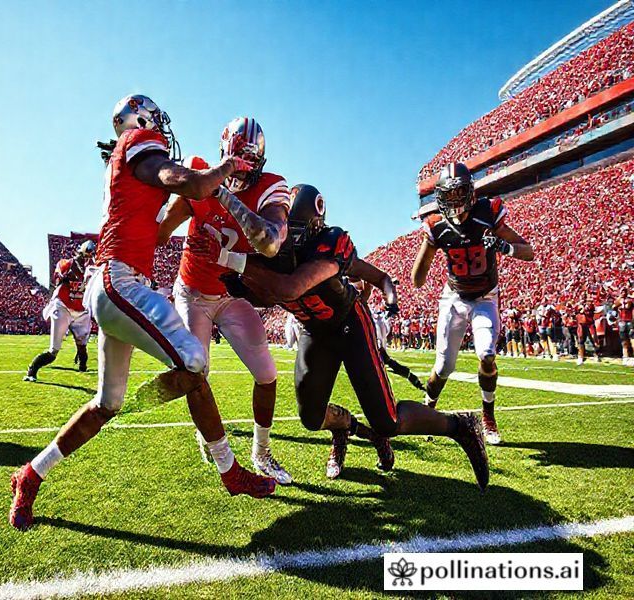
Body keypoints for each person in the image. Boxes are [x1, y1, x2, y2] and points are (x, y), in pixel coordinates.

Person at [8, 95, 276, 531]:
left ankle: (30, 474)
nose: (161, 135)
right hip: (121, 281)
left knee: (104, 404)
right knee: (193, 361)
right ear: (144, 123)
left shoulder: (131, 155)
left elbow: (153, 216)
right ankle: (229, 471)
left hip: (119, 284)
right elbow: (187, 183)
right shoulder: (141, 143)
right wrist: (227, 168)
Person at [211, 184, 489, 490]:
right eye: (281, 228)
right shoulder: (266, 248)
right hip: (313, 331)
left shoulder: (330, 242)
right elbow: (272, 295)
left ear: (315, 226)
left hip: (349, 325)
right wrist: (245, 288)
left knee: (387, 420)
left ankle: (460, 425)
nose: (285, 237)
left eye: (294, 230)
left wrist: (234, 261)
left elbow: (289, 289)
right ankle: (345, 430)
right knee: (311, 417)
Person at [141, 117, 293, 484]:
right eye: (235, 160)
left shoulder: (272, 188)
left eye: (249, 162)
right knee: (196, 373)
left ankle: (262, 452)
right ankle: (205, 432)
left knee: (267, 374)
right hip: (192, 291)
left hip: (230, 294)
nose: (241, 169)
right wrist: (155, 199)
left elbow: (270, 243)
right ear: (224, 155)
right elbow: (160, 233)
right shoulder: (200, 177)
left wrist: (221, 192)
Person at [411, 162, 533, 446]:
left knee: (487, 354)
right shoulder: (436, 226)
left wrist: (505, 248)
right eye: (448, 195)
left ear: (470, 192)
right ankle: (428, 411)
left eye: (458, 193)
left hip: (485, 297)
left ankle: (488, 417)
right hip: (454, 297)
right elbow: (418, 278)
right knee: (443, 367)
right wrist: (428, 248)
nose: (453, 201)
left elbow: (528, 251)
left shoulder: (487, 214)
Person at [24, 239, 96, 381]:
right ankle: (32, 371)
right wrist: (68, 272)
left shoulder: (94, 269)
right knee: (53, 351)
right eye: (85, 256)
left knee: (82, 345)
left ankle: (82, 366)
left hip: (81, 310)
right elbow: (58, 275)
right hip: (63, 306)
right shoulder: (67, 264)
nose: (86, 260)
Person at [614, 288, 633, 365]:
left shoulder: (629, 300)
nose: (622, 293)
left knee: (632, 339)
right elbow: (614, 308)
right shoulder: (619, 300)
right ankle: (625, 357)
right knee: (624, 340)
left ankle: (627, 357)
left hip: (628, 321)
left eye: (623, 292)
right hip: (622, 321)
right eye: (621, 292)